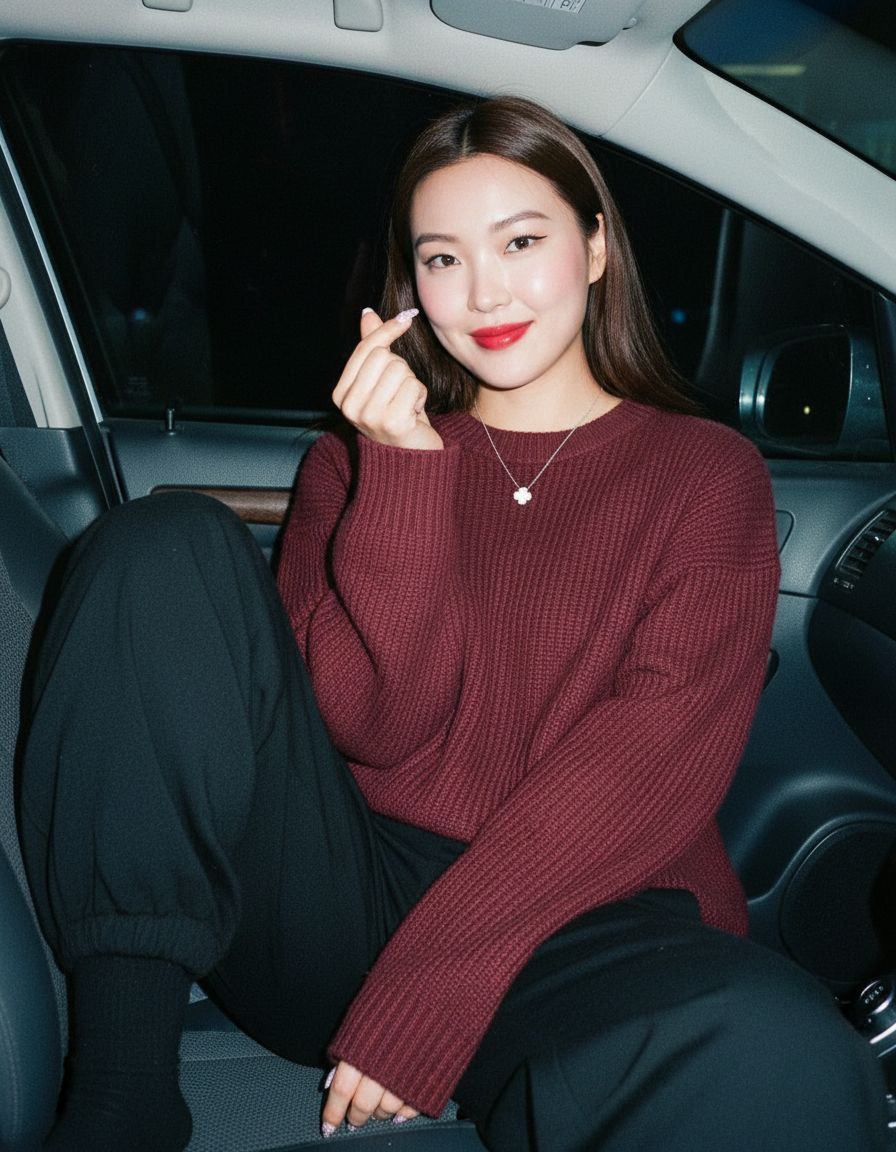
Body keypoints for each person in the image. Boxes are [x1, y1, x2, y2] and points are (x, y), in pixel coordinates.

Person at [19, 96, 885, 1152]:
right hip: (348, 906)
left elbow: (648, 761)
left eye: (519, 242)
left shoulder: (705, 475)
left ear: (595, 247)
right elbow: (377, 726)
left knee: (786, 1050)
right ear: (410, 287)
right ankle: (121, 1095)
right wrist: (401, 473)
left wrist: (433, 990)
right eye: (442, 258)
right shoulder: (349, 466)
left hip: (585, 913)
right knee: (161, 543)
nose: (483, 293)